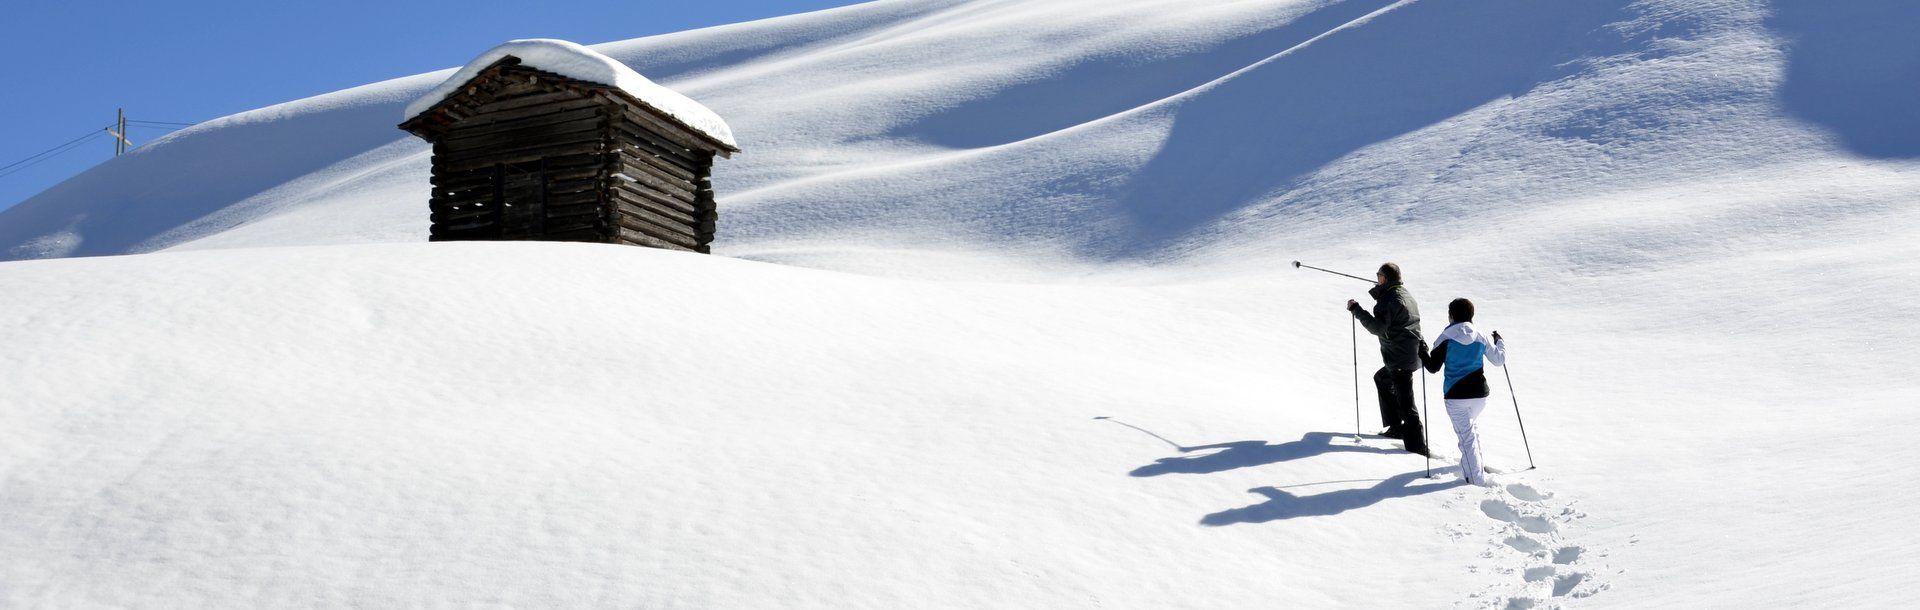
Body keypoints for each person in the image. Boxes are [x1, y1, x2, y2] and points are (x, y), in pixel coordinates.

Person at [1418, 298, 1507, 486]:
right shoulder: (1480, 336)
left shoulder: (1445, 337)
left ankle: (1475, 480)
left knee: (1466, 438)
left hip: (1456, 396)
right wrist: (1499, 342)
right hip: (1480, 396)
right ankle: (1473, 466)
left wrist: (1423, 351)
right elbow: (1499, 361)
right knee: (1471, 431)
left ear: (1451, 315)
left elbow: (1433, 367)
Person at [1346, 262, 1427, 455]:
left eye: (1378, 275)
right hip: (1410, 352)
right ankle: (1396, 427)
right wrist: (1379, 292)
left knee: (1406, 401)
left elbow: (1377, 328)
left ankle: (1417, 447)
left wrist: (1357, 310)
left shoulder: (1389, 300)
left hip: (1400, 357)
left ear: (1385, 278)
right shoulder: (1403, 293)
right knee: (1382, 378)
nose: (1376, 278)